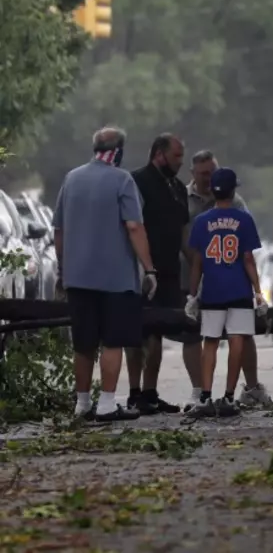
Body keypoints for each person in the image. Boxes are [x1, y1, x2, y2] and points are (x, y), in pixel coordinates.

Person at [53, 126, 157, 422]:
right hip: (116, 278)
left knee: (83, 342)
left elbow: (59, 229)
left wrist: (63, 269)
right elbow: (134, 226)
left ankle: (82, 404)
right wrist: (149, 268)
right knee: (113, 341)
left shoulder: (71, 179)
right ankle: (108, 404)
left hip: (78, 276)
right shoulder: (122, 180)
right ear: (119, 151)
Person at [185, 150, 270, 410]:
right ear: (233, 191)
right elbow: (247, 259)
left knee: (209, 342)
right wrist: (258, 291)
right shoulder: (243, 219)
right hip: (239, 290)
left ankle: (205, 396)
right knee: (237, 340)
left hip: (211, 290)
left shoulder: (200, 221)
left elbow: (197, 262)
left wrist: (191, 295)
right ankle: (230, 396)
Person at [127, 134, 189, 415]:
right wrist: (143, 266)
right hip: (142, 268)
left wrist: (198, 265)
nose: (180, 162)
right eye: (176, 156)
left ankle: (150, 393)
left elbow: (184, 233)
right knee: (137, 331)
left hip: (170, 270)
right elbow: (130, 226)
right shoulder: (136, 181)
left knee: (158, 332)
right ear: (159, 154)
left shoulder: (178, 188)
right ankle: (134, 392)